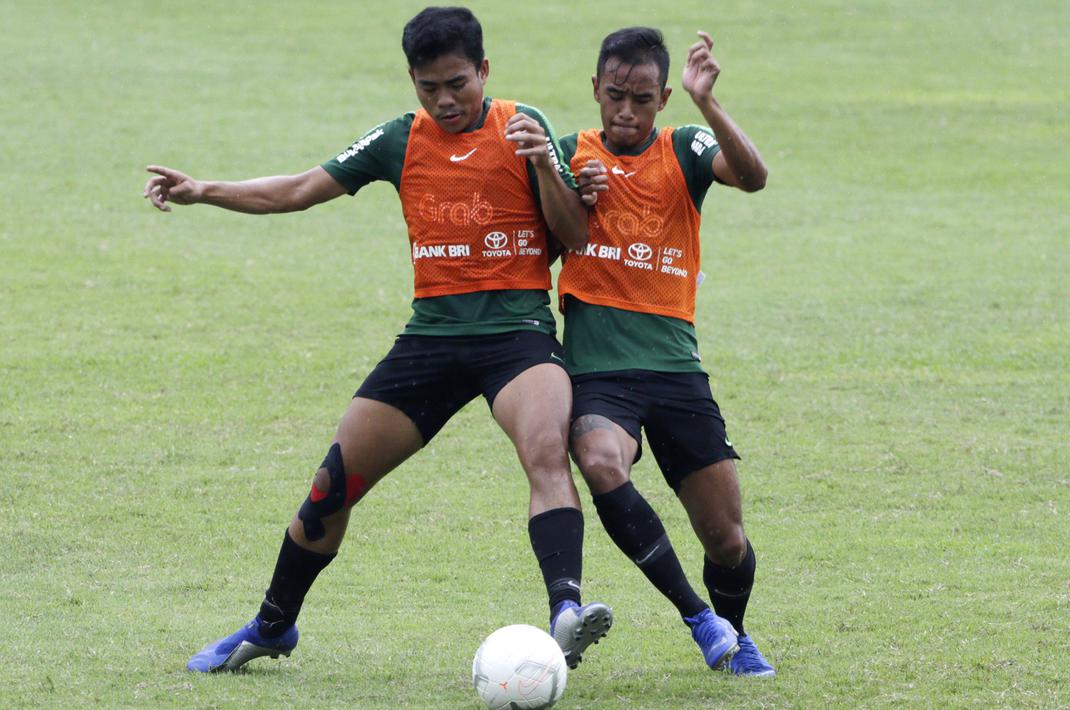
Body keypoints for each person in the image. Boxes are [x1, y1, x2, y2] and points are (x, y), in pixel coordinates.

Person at [144, 6, 612, 673]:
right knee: (333, 483)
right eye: (428, 88)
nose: (445, 100)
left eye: (457, 83)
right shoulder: (399, 139)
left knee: (544, 452)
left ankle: (565, 611)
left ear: (483, 70)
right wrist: (203, 190)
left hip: (517, 337)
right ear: (412, 82)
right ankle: (273, 625)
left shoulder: (525, 126)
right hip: (430, 340)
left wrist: (544, 167)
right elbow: (299, 189)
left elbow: (576, 236)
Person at [556, 27, 774, 676]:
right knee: (599, 462)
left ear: (663, 99)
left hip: (676, 370)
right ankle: (696, 617)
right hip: (597, 372)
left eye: (642, 100)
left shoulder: (685, 145)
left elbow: (752, 178)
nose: (625, 112)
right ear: (595, 89)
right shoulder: (569, 156)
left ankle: (731, 632)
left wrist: (709, 105)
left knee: (726, 539)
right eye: (615, 96)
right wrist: (571, 193)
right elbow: (537, 237)